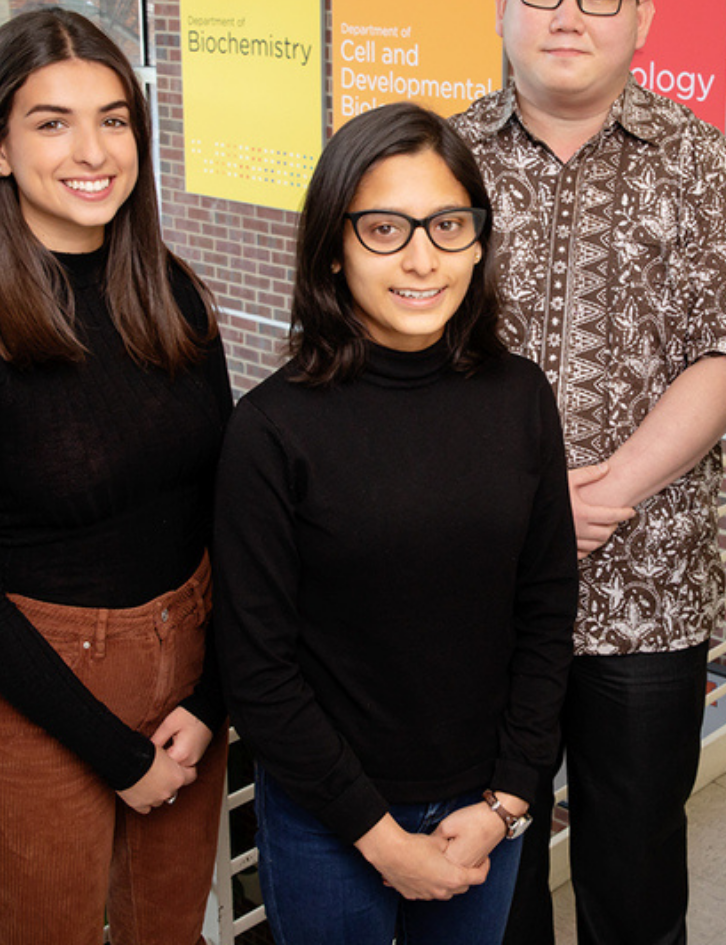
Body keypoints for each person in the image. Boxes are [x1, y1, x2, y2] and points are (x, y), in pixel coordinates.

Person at [450, 0, 726, 945]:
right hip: (468, 584)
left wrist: (609, 492)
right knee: (482, 871)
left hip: (646, 594)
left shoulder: (706, 167)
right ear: (503, 4)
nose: (568, 15)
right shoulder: (435, 163)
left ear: (642, 16)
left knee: (634, 875)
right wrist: (519, 506)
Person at [213, 102, 579, 945]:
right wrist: (381, 841)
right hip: (327, 816)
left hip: (482, 805)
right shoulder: (270, 430)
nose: (423, 258)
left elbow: (547, 606)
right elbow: (258, 672)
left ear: (480, 240)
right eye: (385, 228)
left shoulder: (521, 397)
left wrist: (510, 799)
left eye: (449, 225)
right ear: (334, 251)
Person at [0, 7, 231, 945]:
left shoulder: (176, 293)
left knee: (170, 935)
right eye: (52, 121)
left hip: (188, 677)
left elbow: (227, 518)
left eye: (114, 119)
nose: (94, 149)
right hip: (41, 691)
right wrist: (118, 755)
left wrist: (210, 702)